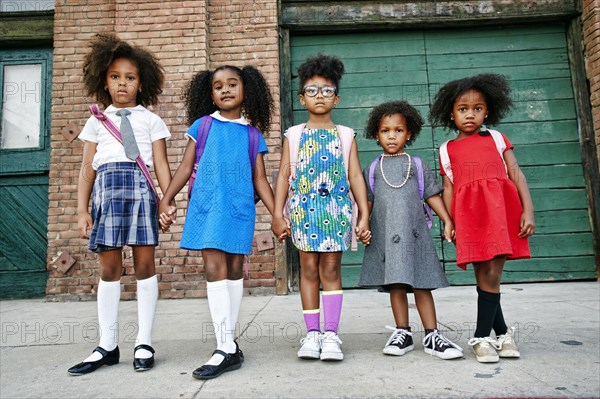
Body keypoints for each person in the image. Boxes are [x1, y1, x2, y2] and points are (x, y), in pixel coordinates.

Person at [158, 65, 275, 379]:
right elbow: (184, 167)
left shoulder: (253, 134)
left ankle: (229, 344)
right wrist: (167, 198)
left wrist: (277, 212)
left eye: (232, 84)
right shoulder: (203, 125)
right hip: (207, 207)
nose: (225, 90)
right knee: (214, 268)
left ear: (245, 90)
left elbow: (261, 179)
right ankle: (224, 346)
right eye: (218, 86)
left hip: (239, 208)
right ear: (209, 94)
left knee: (234, 270)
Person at [69, 33, 173, 375]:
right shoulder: (97, 121)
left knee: (145, 265)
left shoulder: (150, 120)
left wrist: (166, 201)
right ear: (105, 81)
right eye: (115, 77)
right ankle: (107, 345)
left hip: (142, 193)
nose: (122, 83)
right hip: (106, 194)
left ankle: (144, 341)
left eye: (130, 77)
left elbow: (159, 165)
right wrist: (82, 209)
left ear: (142, 83)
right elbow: (88, 167)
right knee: (109, 269)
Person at [429, 74, 535, 363]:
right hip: (470, 217)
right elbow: (449, 188)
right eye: (463, 108)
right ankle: (502, 334)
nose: (470, 114)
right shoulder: (446, 149)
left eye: (477, 108)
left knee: (493, 275)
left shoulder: (498, 139)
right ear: (451, 113)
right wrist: (450, 222)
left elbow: (516, 174)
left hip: (501, 213)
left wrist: (528, 210)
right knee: (482, 274)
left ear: (487, 111)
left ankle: (481, 336)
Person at [272, 54, 371, 362]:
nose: (319, 96)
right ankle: (312, 333)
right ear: (302, 98)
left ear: (336, 98)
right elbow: (284, 174)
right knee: (308, 270)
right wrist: (277, 213)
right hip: (303, 211)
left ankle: (331, 334)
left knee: (330, 269)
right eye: (312, 91)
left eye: (326, 90)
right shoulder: (294, 133)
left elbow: (355, 174)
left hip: (336, 212)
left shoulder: (345, 134)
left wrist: (364, 212)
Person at [359, 100, 463, 360]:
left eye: (398, 130)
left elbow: (432, 195)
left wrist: (448, 220)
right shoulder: (372, 169)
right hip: (387, 236)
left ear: (409, 133)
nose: (391, 135)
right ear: (376, 134)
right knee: (395, 283)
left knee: (422, 284)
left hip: (414, 235)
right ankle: (402, 332)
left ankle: (432, 334)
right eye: (385, 130)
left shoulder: (417, 164)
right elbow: (367, 202)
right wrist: (362, 223)